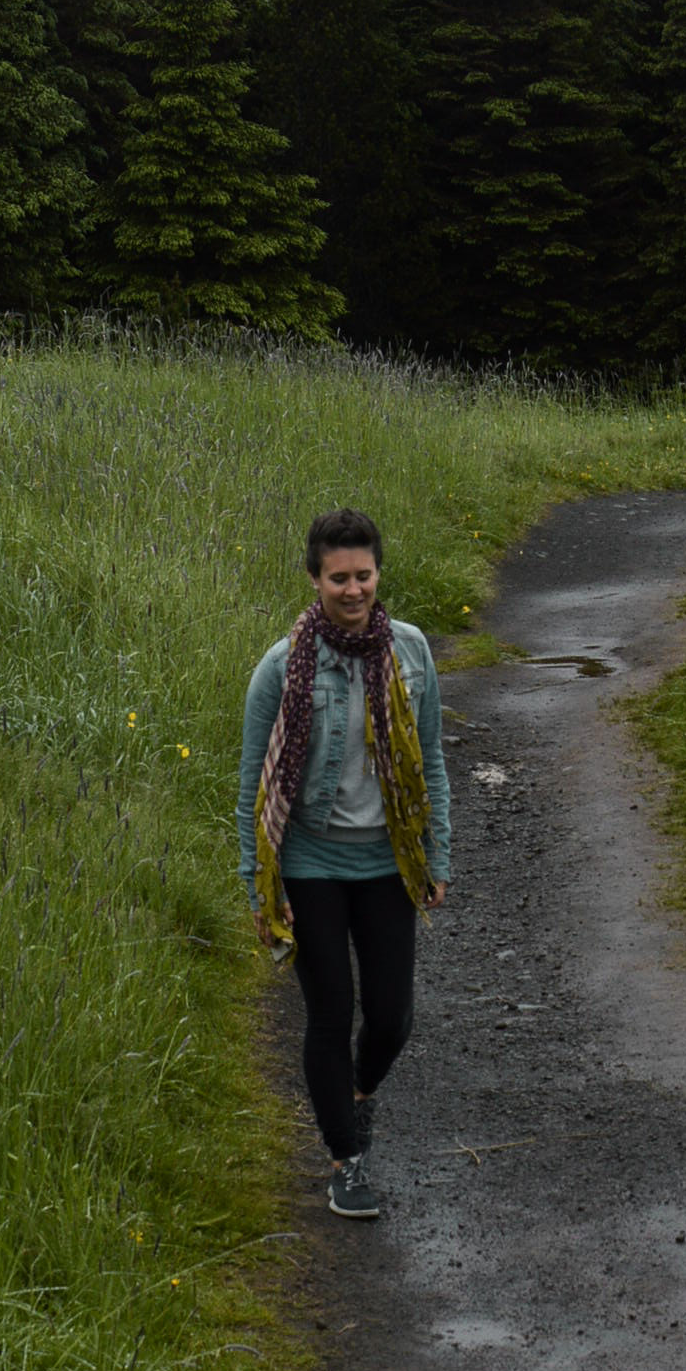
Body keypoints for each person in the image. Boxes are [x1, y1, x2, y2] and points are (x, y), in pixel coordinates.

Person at [237, 505, 451, 1219]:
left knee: (390, 1017)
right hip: (309, 861)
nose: (353, 590)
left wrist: (438, 855)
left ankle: (357, 1094)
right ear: (314, 578)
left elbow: (434, 766)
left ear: (378, 574)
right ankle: (345, 1160)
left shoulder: (413, 653)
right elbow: (252, 787)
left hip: (389, 859)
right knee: (332, 1009)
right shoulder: (282, 667)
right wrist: (258, 885)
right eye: (338, 579)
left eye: (363, 576)